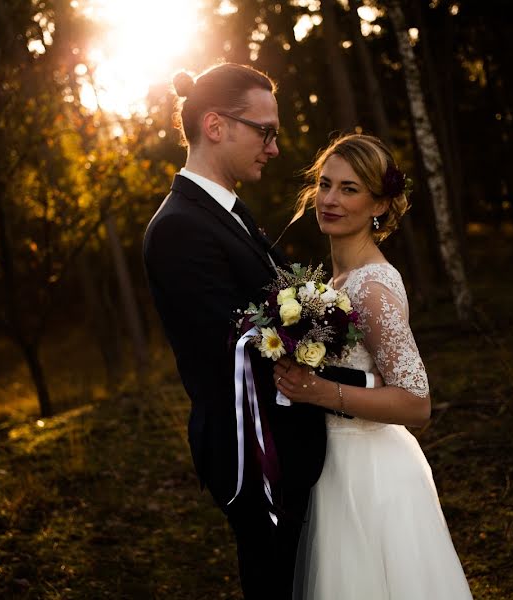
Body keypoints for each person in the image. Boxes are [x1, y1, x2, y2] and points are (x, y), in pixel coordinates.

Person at [142, 64, 374, 599]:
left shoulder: (227, 213)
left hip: (286, 437)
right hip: (256, 452)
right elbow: (240, 348)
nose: (274, 147)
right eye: (265, 131)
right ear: (216, 126)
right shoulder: (179, 227)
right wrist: (364, 390)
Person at [274, 134, 473, 599]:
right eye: (325, 184)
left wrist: (320, 392)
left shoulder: (371, 289)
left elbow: (417, 402)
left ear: (379, 204)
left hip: (368, 473)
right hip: (330, 465)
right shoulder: (335, 282)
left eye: (349, 189)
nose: (329, 199)